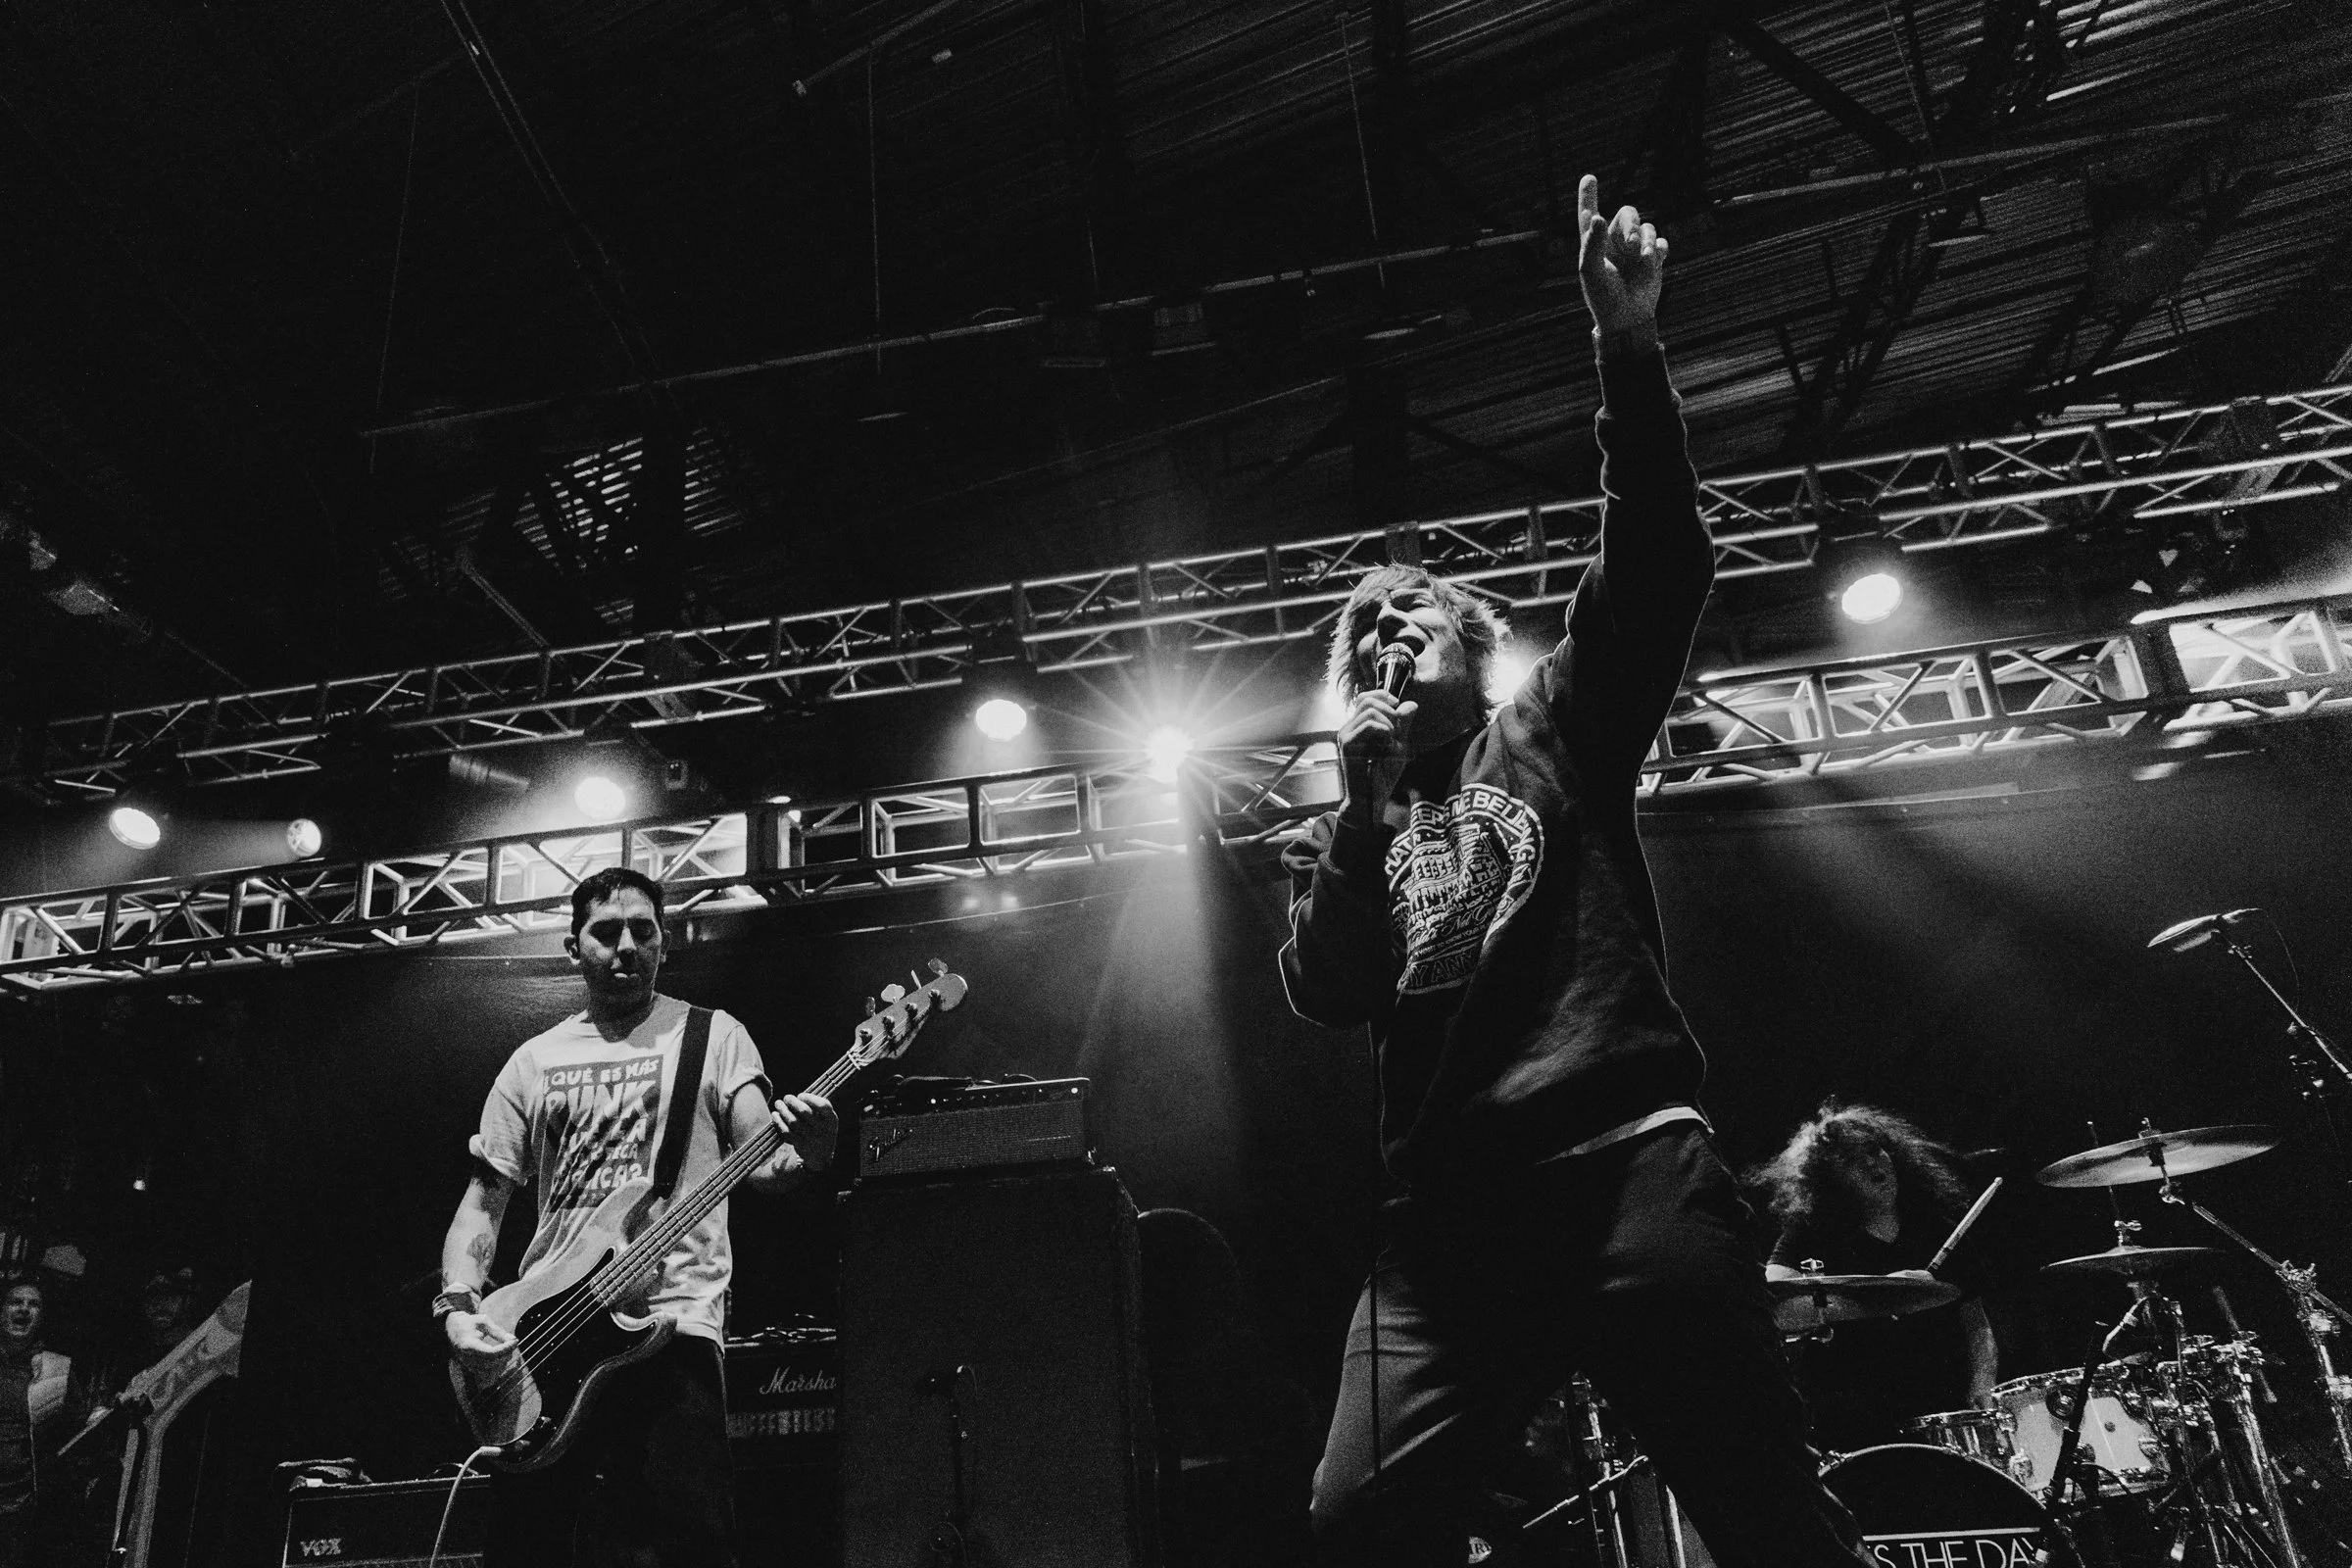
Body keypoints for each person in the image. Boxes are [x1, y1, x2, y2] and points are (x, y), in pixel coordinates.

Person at [1277, 174, 1865, 1568]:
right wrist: (1359, 814)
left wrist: (1627, 347)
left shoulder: (1550, 726)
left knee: (1767, 1516)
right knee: (1354, 1521)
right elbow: (1331, 988)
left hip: (1625, 1169)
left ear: (1475, 649)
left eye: (1411, 617)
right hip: (1449, 1232)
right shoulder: (1342, 825)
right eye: (1365, 634)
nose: (1386, 635)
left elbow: (1659, 563)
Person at [437, 866, 839, 1568]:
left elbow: (765, 1165)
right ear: (573, 947)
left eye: (642, 931)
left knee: (688, 1544)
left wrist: (816, 1150)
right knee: (533, 1548)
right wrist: (459, 1307)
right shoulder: (533, 1061)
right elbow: (483, 1202)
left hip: (673, 1325)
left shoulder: (713, 1036)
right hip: (546, 1333)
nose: (626, 945)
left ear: (664, 943)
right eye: (606, 931)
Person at [1756, 1102, 2000, 1453]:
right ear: (1830, 1179)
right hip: (1855, 1418)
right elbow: (1775, 1305)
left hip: (1942, 1407)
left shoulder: (1936, 1228)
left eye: (1875, 1150)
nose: (1872, 1163)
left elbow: (1976, 1323)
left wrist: (1982, 1380)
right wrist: (1878, 1299)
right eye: (1852, 1160)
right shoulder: (1812, 1233)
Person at [0, 1277, 90, 1568]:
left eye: (33, 1304)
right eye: (15, 1302)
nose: (23, 1309)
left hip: (25, 1512)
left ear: (42, 1317)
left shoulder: (57, 1371)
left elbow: (80, 1433)